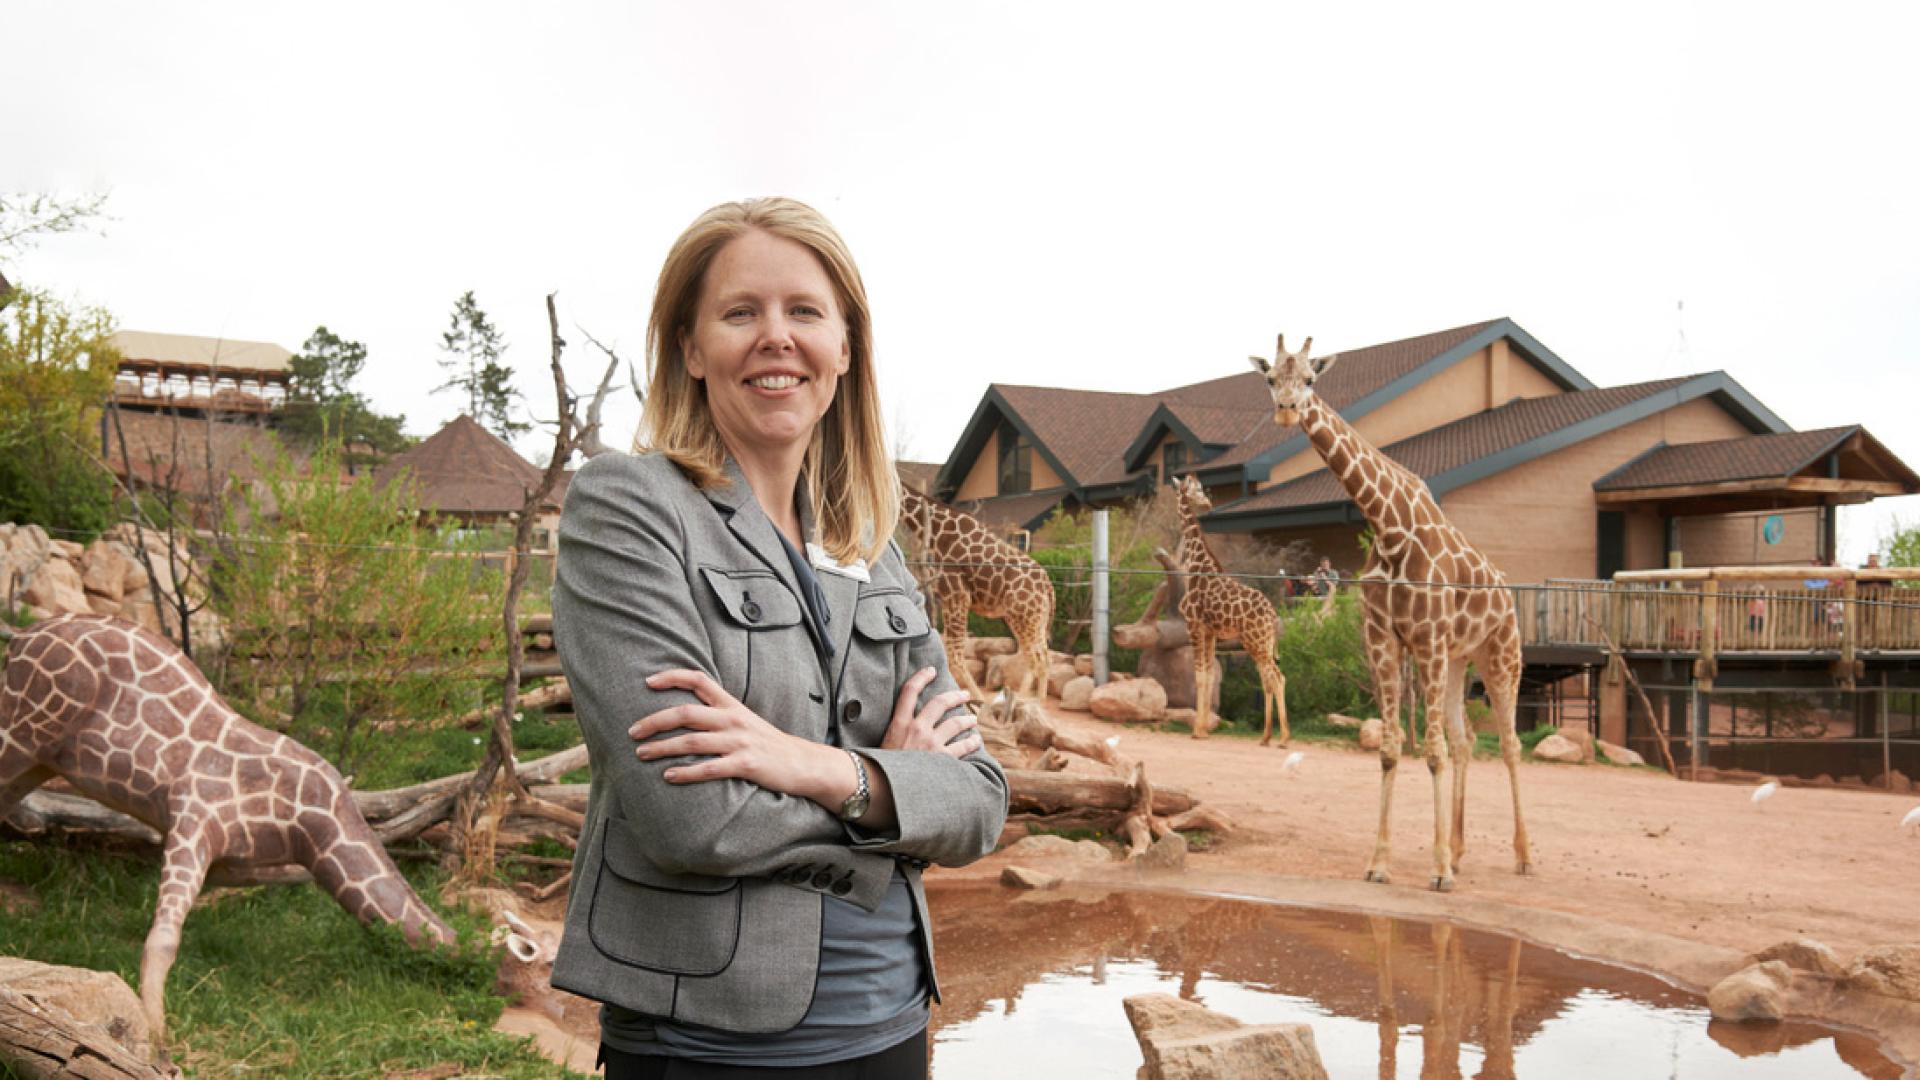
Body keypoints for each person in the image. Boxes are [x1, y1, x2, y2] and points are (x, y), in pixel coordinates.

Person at [548, 197, 1010, 1079]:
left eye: (804, 311)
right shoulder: (630, 508)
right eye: (739, 313)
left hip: (892, 1019)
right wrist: (894, 790)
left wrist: (808, 766)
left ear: (845, 348)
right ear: (690, 348)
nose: (775, 337)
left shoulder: (869, 544)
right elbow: (689, 816)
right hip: (707, 1040)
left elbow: (982, 801)